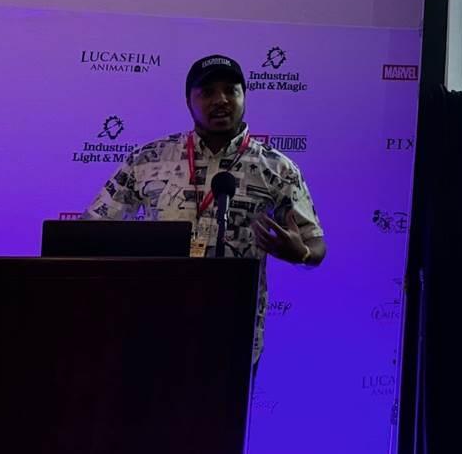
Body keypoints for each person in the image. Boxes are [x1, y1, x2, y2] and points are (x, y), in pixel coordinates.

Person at [82, 54, 327, 372]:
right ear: (189, 101)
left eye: (231, 90)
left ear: (244, 96)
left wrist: (301, 253)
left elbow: (315, 244)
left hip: (235, 334)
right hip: (153, 329)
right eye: (207, 92)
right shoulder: (148, 159)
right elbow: (93, 231)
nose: (221, 100)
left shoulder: (277, 168)